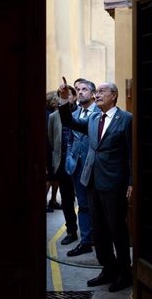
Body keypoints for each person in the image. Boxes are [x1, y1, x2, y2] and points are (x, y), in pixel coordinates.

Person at [58, 80, 133, 293]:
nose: (97, 95)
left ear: (114, 96)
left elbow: (132, 153)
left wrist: (131, 181)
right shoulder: (92, 118)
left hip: (114, 183)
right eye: (97, 92)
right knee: (99, 230)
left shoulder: (126, 119)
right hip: (91, 180)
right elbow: (68, 123)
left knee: (116, 229)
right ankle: (108, 268)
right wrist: (64, 99)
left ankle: (125, 273)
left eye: (102, 91)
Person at [64, 78, 100, 257]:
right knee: (83, 205)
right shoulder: (75, 113)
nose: (79, 92)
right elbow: (70, 139)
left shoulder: (100, 113)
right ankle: (86, 241)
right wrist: (69, 158)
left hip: (95, 167)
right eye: (77, 89)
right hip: (77, 166)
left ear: (93, 94)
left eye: (84, 89)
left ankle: (100, 240)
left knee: (98, 205)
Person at [48, 84, 79, 245]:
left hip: (79, 164)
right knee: (67, 200)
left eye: (71, 95)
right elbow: (52, 141)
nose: (68, 98)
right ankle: (71, 231)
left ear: (74, 98)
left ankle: (90, 234)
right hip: (62, 164)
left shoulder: (81, 114)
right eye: (65, 96)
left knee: (85, 200)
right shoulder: (54, 117)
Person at [45, 91, 60, 212]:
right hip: (49, 150)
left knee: (54, 176)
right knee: (49, 177)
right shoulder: (49, 115)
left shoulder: (52, 114)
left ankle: (53, 200)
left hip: (52, 150)